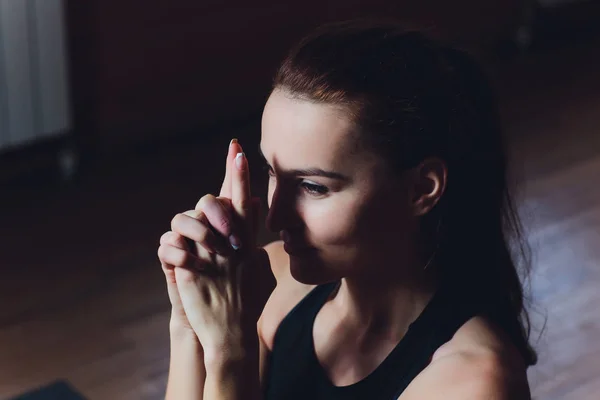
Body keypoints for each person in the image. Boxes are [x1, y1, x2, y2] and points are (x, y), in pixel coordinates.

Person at [157, 18, 536, 400]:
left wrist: (230, 350)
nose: (275, 218)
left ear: (422, 189)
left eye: (313, 187)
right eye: (272, 172)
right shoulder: (273, 284)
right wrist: (189, 319)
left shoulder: (476, 381)